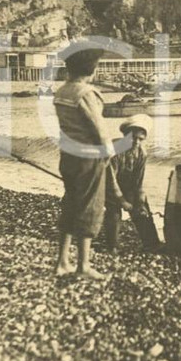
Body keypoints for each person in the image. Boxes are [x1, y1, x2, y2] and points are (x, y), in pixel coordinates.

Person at [53, 47, 128, 279]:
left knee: (71, 204)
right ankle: (83, 265)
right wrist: (108, 153)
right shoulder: (86, 93)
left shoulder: (62, 92)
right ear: (92, 70)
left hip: (68, 155)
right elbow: (99, 128)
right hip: (88, 157)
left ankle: (62, 261)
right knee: (90, 207)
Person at [104, 114, 161, 252]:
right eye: (132, 137)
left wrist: (140, 201)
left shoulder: (142, 153)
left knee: (142, 209)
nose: (136, 141)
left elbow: (139, 181)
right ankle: (112, 245)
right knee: (114, 211)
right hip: (105, 184)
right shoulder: (113, 150)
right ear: (125, 136)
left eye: (140, 139)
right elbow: (110, 181)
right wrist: (122, 201)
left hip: (126, 183)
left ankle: (151, 243)